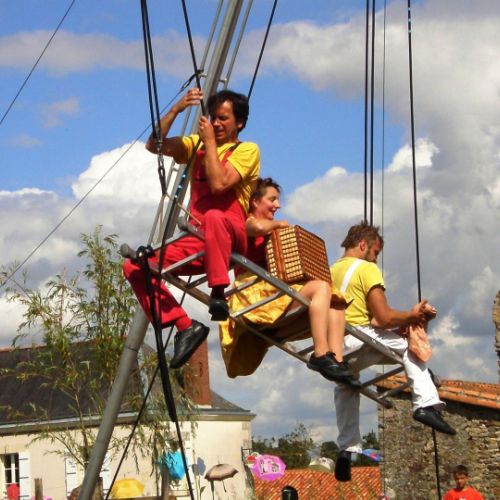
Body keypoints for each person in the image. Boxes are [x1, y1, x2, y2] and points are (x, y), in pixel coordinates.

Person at [123, 88, 260, 368]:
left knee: (214, 216)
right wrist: (177, 109)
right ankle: (185, 326)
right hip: (199, 239)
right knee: (134, 267)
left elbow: (220, 184)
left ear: (240, 123)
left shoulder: (247, 150)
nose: (216, 123)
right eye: (214, 117)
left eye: (223, 119)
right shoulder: (197, 144)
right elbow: (154, 145)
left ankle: (218, 291)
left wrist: (208, 142)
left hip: (230, 235)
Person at [330, 221, 456, 482]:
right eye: (375, 252)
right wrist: (412, 315)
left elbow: (373, 320)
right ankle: (425, 403)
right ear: (363, 245)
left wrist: (402, 321)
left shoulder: (330, 271)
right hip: (360, 338)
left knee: (345, 383)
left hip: (335, 347)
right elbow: (384, 318)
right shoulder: (367, 269)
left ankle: (346, 450)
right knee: (411, 348)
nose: (376, 259)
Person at [219, 177, 354, 382]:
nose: (278, 205)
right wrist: (277, 224)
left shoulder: (270, 228)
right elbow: (257, 228)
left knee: (336, 301)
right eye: (272, 199)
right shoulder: (246, 221)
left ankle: (335, 359)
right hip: (253, 291)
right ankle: (320, 354)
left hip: (273, 290)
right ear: (255, 201)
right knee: (321, 288)